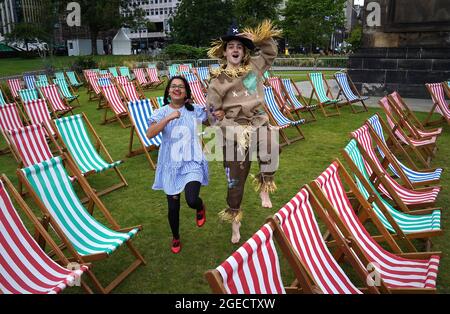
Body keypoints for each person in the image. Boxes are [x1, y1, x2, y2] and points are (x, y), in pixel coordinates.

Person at [206, 20, 281, 244]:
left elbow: (270, 51)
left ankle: (264, 185)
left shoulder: (255, 67)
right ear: (225, 52)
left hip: (257, 122)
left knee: (271, 145)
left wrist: (259, 38)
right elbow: (212, 114)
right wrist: (230, 126)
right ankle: (235, 223)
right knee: (235, 182)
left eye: (240, 45)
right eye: (231, 46)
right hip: (233, 132)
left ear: (245, 50)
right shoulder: (217, 81)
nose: (236, 49)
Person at [147, 76, 208, 254]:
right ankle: (176, 237)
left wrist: (216, 114)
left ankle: (200, 206)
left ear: (186, 92)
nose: (177, 89)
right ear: (168, 91)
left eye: (181, 87)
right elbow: (150, 134)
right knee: (173, 206)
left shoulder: (195, 110)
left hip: (192, 160)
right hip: (170, 164)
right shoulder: (161, 112)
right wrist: (168, 118)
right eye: (173, 86)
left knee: (191, 200)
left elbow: (211, 121)